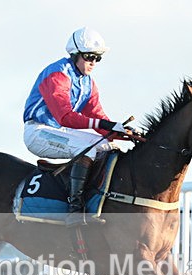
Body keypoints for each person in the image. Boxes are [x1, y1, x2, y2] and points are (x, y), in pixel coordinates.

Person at [23, 27, 133, 227]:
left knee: (108, 148)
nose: (93, 63)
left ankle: (96, 199)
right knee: (89, 149)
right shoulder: (57, 74)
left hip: (59, 132)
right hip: (38, 131)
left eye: (97, 58)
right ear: (75, 55)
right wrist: (107, 125)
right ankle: (75, 210)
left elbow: (97, 116)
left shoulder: (88, 83)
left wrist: (122, 134)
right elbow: (65, 116)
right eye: (89, 57)